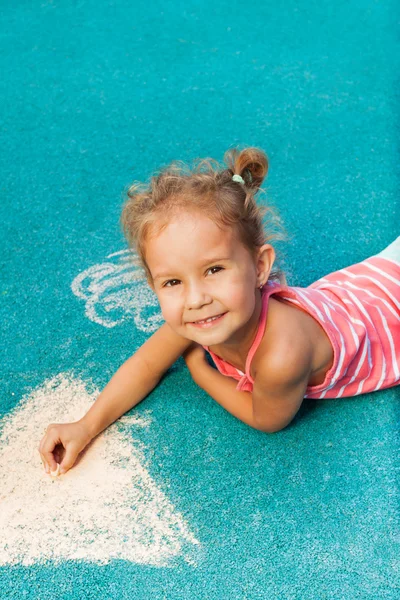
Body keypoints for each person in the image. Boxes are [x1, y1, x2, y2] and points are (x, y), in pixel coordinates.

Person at [39, 146, 400, 476]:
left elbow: (268, 418)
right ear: (154, 286)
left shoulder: (281, 356)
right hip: (371, 289)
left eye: (214, 270)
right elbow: (145, 365)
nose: (195, 298)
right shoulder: (203, 312)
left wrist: (201, 372)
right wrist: (84, 426)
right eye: (172, 282)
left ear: (259, 267)